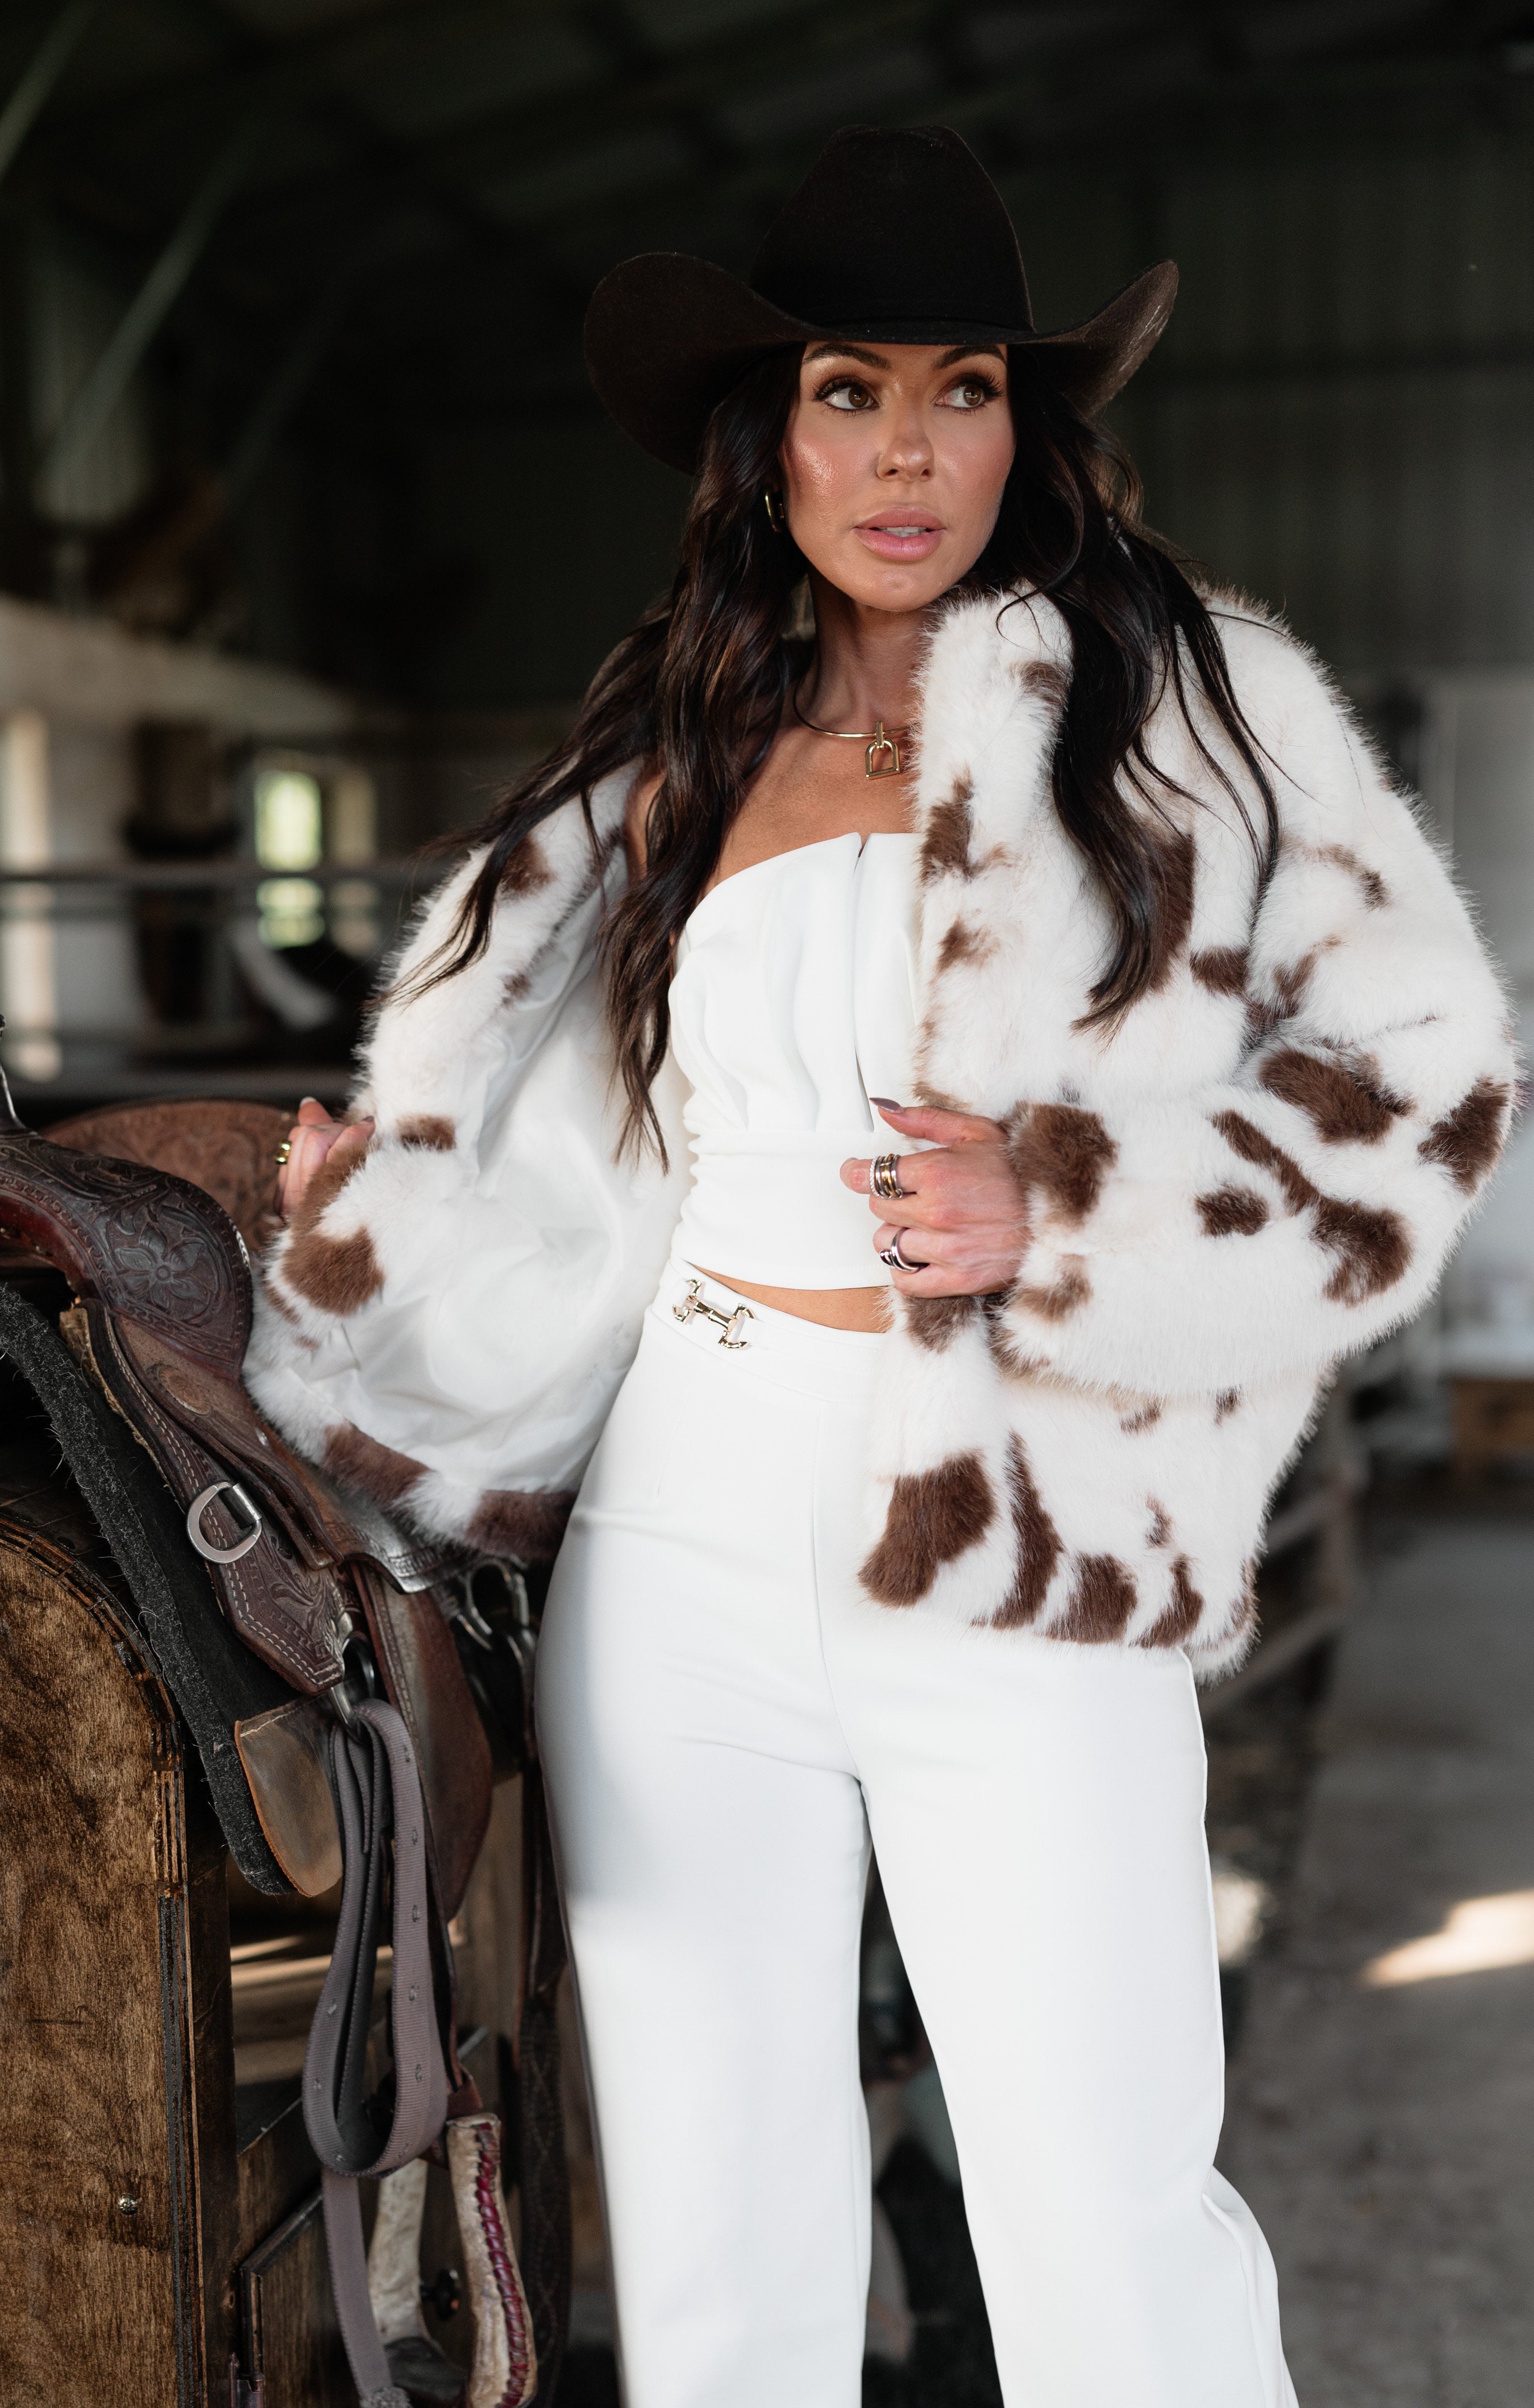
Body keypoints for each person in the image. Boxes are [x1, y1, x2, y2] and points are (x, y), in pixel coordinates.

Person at [251, 127, 1510, 2408]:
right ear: (771, 433)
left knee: (1106, 2209)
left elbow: (1429, 1083)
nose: (909, 452)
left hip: (1023, 1539)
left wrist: (1072, 1206)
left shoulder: (1195, 707)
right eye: (851, 390)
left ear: (1031, 425)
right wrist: (384, 1225)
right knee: (716, 2241)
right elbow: (580, 1158)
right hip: (685, 1526)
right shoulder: (676, 738)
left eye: (964, 390)